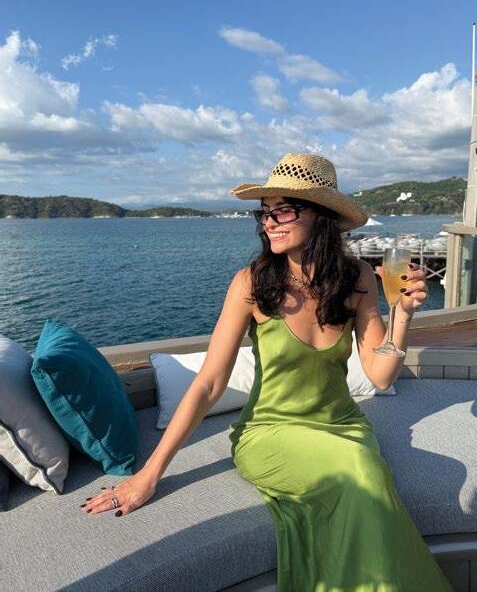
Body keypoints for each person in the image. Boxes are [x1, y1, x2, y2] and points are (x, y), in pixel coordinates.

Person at [80, 152, 454, 592]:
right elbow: (209, 384)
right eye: (264, 212)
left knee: (361, 473)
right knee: (361, 478)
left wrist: (403, 314)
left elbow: (381, 375)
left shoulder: (357, 278)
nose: (269, 223)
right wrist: (149, 474)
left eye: (283, 210)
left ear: (322, 217)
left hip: (343, 427)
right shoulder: (252, 283)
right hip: (270, 431)